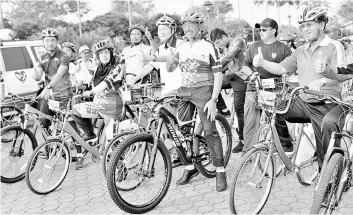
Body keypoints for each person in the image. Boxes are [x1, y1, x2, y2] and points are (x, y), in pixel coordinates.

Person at [252, 6, 344, 167]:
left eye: (309, 25)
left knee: (325, 149)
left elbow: (341, 74)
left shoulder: (334, 46)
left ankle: (328, 178)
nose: (305, 29)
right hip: (303, 102)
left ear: (321, 25)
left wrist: (322, 81)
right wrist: (263, 63)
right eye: (302, 26)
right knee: (275, 108)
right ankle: (287, 146)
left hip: (326, 103)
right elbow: (281, 69)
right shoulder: (300, 50)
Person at [166, 9, 227, 192]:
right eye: (185, 25)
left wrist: (214, 100)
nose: (187, 28)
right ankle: (190, 168)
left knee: (210, 131)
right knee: (180, 132)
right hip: (186, 92)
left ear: (200, 26)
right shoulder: (181, 47)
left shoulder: (209, 46)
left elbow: (218, 75)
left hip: (204, 92)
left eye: (191, 24)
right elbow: (171, 68)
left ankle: (220, 171)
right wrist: (169, 61)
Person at [240, 18, 293, 155]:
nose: (261, 32)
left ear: (273, 30)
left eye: (264, 29)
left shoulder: (284, 48)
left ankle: (285, 146)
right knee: (250, 119)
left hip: (275, 88)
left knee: (275, 119)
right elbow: (244, 66)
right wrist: (252, 74)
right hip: (254, 86)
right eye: (260, 29)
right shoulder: (253, 46)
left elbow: (290, 69)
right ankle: (248, 151)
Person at [71, 39, 124, 169]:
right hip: (97, 104)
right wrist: (76, 88)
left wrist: (92, 91)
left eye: (107, 52)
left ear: (111, 53)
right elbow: (86, 81)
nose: (104, 55)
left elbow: (106, 82)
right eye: (101, 53)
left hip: (112, 103)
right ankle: (90, 134)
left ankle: (120, 164)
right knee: (76, 110)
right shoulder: (96, 69)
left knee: (110, 136)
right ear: (98, 56)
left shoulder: (116, 67)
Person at [140, 15, 184, 168]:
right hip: (167, 91)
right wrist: (132, 79)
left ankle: (190, 151)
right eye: (159, 29)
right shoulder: (160, 47)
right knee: (167, 123)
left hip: (181, 89)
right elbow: (152, 65)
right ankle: (176, 153)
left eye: (165, 29)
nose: (162, 32)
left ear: (173, 30)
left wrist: (153, 56)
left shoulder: (180, 44)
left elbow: (169, 58)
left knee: (182, 124)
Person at [209, 28, 247, 153]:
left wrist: (216, 65)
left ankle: (243, 140)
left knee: (239, 108)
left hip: (241, 78)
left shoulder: (238, 42)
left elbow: (229, 58)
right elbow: (223, 66)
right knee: (211, 83)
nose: (217, 45)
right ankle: (224, 110)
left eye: (218, 42)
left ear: (224, 37)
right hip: (230, 77)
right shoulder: (224, 48)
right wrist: (213, 71)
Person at [33, 28, 73, 131]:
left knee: (66, 126)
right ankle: (50, 146)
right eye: (47, 40)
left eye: (52, 40)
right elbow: (38, 76)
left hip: (64, 95)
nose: (49, 43)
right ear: (43, 42)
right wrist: (35, 74)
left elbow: (59, 74)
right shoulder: (41, 57)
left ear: (57, 41)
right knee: (43, 123)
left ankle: (79, 146)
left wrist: (48, 86)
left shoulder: (64, 56)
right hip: (50, 96)